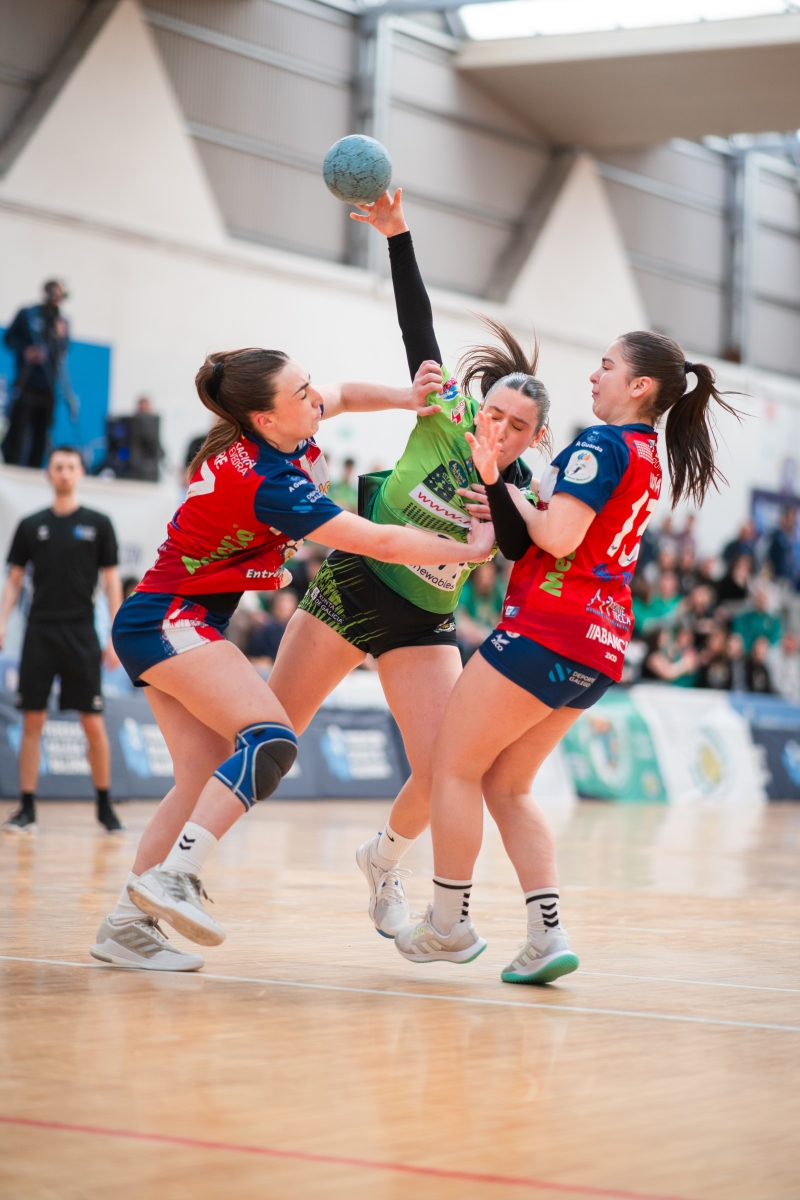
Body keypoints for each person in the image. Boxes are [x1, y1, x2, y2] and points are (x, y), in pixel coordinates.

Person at [89, 348, 496, 971]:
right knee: (271, 740)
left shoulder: (283, 426)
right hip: (169, 620)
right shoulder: (269, 482)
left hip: (174, 619)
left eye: (308, 386)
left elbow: (346, 393)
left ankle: (125, 925)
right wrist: (469, 548)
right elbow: (379, 541)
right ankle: (175, 878)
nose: (315, 398)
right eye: (302, 393)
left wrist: (405, 396)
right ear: (265, 419)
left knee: (202, 781)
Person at [392, 332, 737, 985]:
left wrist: (501, 485)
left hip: (548, 627)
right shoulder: (646, 454)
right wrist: (509, 499)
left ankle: (448, 922)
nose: (594, 376)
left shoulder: (602, 443)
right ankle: (546, 937)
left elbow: (556, 537)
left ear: (639, 386)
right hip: (600, 645)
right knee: (507, 785)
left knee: (453, 767)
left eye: (607, 366)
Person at [267, 188, 550, 941]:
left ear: (533, 437)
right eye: (495, 413)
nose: (500, 429)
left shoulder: (522, 491)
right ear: (480, 406)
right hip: (355, 583)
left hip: (424, 622)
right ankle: (177, 867)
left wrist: (501, 503)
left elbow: (517, 551)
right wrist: (397, 234)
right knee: (270, 739)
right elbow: (415, 324)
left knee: (443, 771)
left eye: (518, 427)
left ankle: (382, 861)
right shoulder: (447, 412)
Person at [0, 446, 124, 833]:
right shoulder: (30, 525)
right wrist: (2, 620)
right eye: (58, 467)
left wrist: (115, 633)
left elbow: (111, 582)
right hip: (40, 631)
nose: (65, 473)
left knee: (93, 723)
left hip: (82, 633)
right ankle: (27, 807)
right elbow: (15, 579)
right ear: (48, 473)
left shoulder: (99, 523)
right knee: (32, 719)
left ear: (81, 472)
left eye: (71, 467)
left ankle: (104, 806)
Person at [2, 280, 70, 468]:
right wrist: (26, 350)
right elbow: (9, 338)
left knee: (42, 432)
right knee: (18, 429)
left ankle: (35, 468)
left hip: (48, 384)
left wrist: (61, 337)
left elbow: (63, 351)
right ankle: (12, 465)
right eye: (54, 293)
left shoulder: (61, 322)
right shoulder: (27, 314)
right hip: (26, 381)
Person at [455, 561, 507, 661]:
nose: (486, 581)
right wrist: (478, 631)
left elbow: (499, 618)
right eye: (482, 577)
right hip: (469, 638)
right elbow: (460, 619)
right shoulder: (467, 589)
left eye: (489, 577)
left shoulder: (496, 592)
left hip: (487, 635)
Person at [247, 588, 299, 665]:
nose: (284, 605)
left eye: (288, 601)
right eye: (282, 601)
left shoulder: (298, 632)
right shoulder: (265, 628)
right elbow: (253, 656)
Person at [731, 586, 782, 652]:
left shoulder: (773, 621)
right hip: (745, 651)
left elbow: (775, 638)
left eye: (763, 599)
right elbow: (738, 631)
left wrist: (763, 645)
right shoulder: (745, 618)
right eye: (759, 599)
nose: (761, 601)